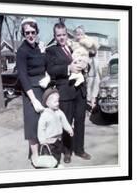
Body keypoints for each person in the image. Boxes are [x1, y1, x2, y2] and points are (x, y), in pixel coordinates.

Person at [46, 22, 91, 163]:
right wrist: (68, 68)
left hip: (80, 90)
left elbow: (85, 58)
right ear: (55, 36)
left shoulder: (75, 46)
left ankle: (79, 149)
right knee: (66, 123)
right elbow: (51, 70)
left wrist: (85, 66)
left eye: (64, 34)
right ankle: (67, 152)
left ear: (67, 34)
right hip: (65, 91)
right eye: (58, 35)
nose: (61, 38)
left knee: (80, 121)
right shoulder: (51, 51)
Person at [16, 18, 49, 167]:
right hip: (31, 91)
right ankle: (34, 156)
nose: (30, 35)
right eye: (27, 32)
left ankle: (43, 151)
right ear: (23, 33)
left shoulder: (39, 47)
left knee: (44, 122)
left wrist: (48, 76)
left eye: (33, 32)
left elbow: (45, 65)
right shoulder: (22, 51)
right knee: (32, 124)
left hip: (43, 88)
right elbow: (22, 76)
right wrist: (33, 100)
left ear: (37, 32)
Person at [37, 88, 74, 166]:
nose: (57, 103)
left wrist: (69, 129)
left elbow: (64, 122)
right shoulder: (44, 115)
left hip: (58, 140)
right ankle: (52, 169)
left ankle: (57, 164)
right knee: (50, 158)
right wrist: (42, 140)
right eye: (55, 102)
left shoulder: (59, 112)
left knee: (58, 155)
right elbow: (41, 129)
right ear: (47, 103)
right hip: (48, 142)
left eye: (58, 101)